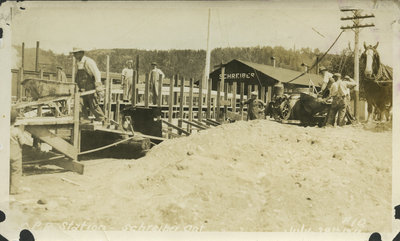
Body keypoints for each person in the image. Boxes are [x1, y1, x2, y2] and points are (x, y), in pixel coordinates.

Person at [71, 47, 105, 122]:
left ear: (81, 53)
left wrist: (98, 86)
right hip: (82, 88)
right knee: (80, 104)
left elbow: (97, 73)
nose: (74, 55)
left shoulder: (88, 61)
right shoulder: (78, 63)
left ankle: (102, 119)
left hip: (90, 87)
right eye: (73, 53)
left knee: (93, 104)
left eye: (75, 53)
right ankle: (84, 119)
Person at [10, 108, 27, 194]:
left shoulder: (2, 130)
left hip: (4, 154)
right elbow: (23, 142)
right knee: (16, 171)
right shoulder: (16, 131)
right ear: (15, 120)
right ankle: (14, 190)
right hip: (15, 155)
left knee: (6, 171)